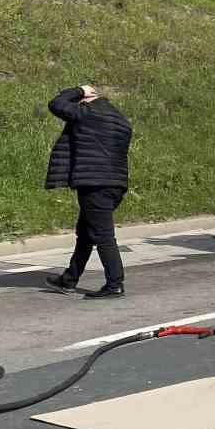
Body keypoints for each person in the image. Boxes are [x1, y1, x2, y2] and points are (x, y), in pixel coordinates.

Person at [43, 84, 133, 299]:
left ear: (87, 100)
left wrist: (80, 90)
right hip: (115, 185)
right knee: (85, 233)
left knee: (102, 235)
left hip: (94, 184)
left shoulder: (88, 112)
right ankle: (69, 279)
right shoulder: (121, 120)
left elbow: (56, 104)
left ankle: (114, 284)